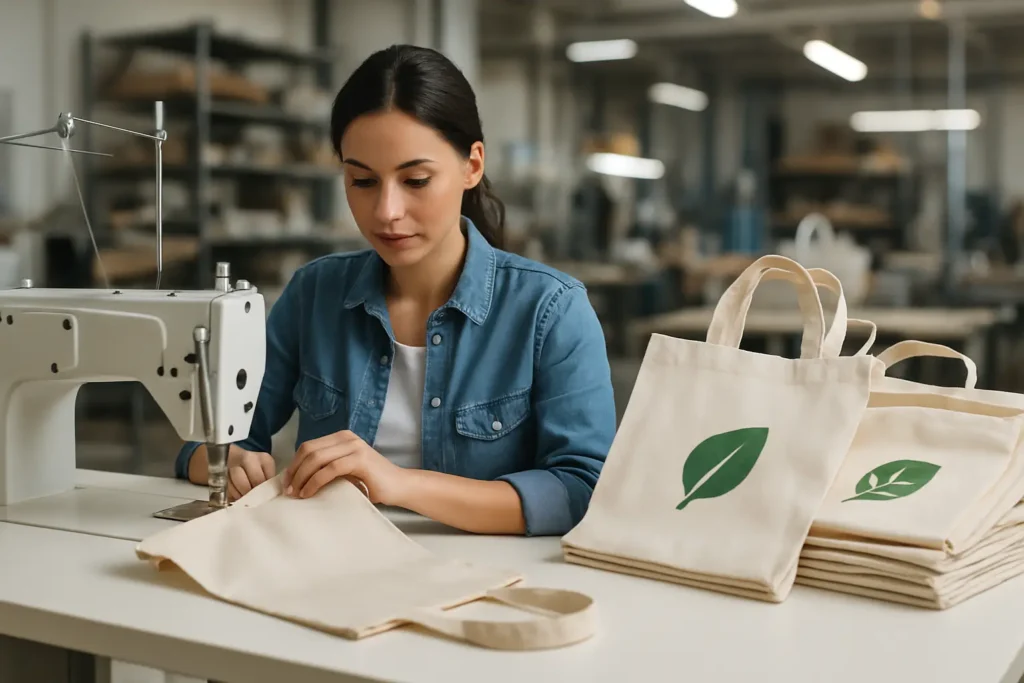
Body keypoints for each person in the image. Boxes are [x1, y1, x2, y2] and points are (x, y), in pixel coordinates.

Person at [175, 44, 616, 537]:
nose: (386, 211)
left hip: (488, 579)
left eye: (416, 180)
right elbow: (203, 443)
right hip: (327, 566)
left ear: (472, 166)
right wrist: (228, 461)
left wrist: (399, 484)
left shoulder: (551, 311)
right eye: (362, 180)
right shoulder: (314, 294)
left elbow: (581, 490)